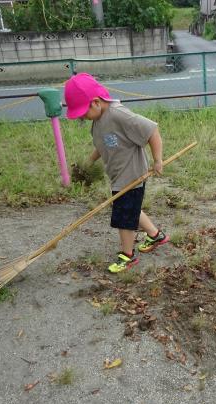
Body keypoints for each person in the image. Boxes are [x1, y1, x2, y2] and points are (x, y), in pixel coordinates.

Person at [64, 73, 169, 273]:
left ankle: (127, 256)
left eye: (83, 113)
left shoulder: (119, 115)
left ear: (96, 102)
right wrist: (89, 162)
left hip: (131, 175)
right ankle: (155, 235)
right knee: (130, 209)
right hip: (118, 175)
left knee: (123, 216)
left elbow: (152, 131)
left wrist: (158, 160)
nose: (83, 118)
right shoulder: (99, 119)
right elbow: (102, 143)